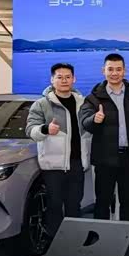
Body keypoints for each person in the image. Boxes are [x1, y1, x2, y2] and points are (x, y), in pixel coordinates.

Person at [80, 53, 129, 222]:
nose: (114, 73)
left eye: (118, 69)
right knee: (102, 202)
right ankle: (100, 236)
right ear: (103, 71)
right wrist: (94, 119)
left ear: (124, 71)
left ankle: (127, 236)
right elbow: (84, 122)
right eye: (110, 69)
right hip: (104, 159)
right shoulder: (93, 98)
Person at [25, 63, 92, 236]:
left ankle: (72, 240)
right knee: (54, 205)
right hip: (53, 166)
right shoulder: (41, 104)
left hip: (77, 164)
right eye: (59, 77)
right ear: (52, 80)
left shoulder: (83, 103)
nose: (64, 80)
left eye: (68, 77)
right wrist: (45, 129)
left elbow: (89, 129)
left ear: (74, 79)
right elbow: (30, 130)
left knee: (74, 205)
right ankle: (54, 242)